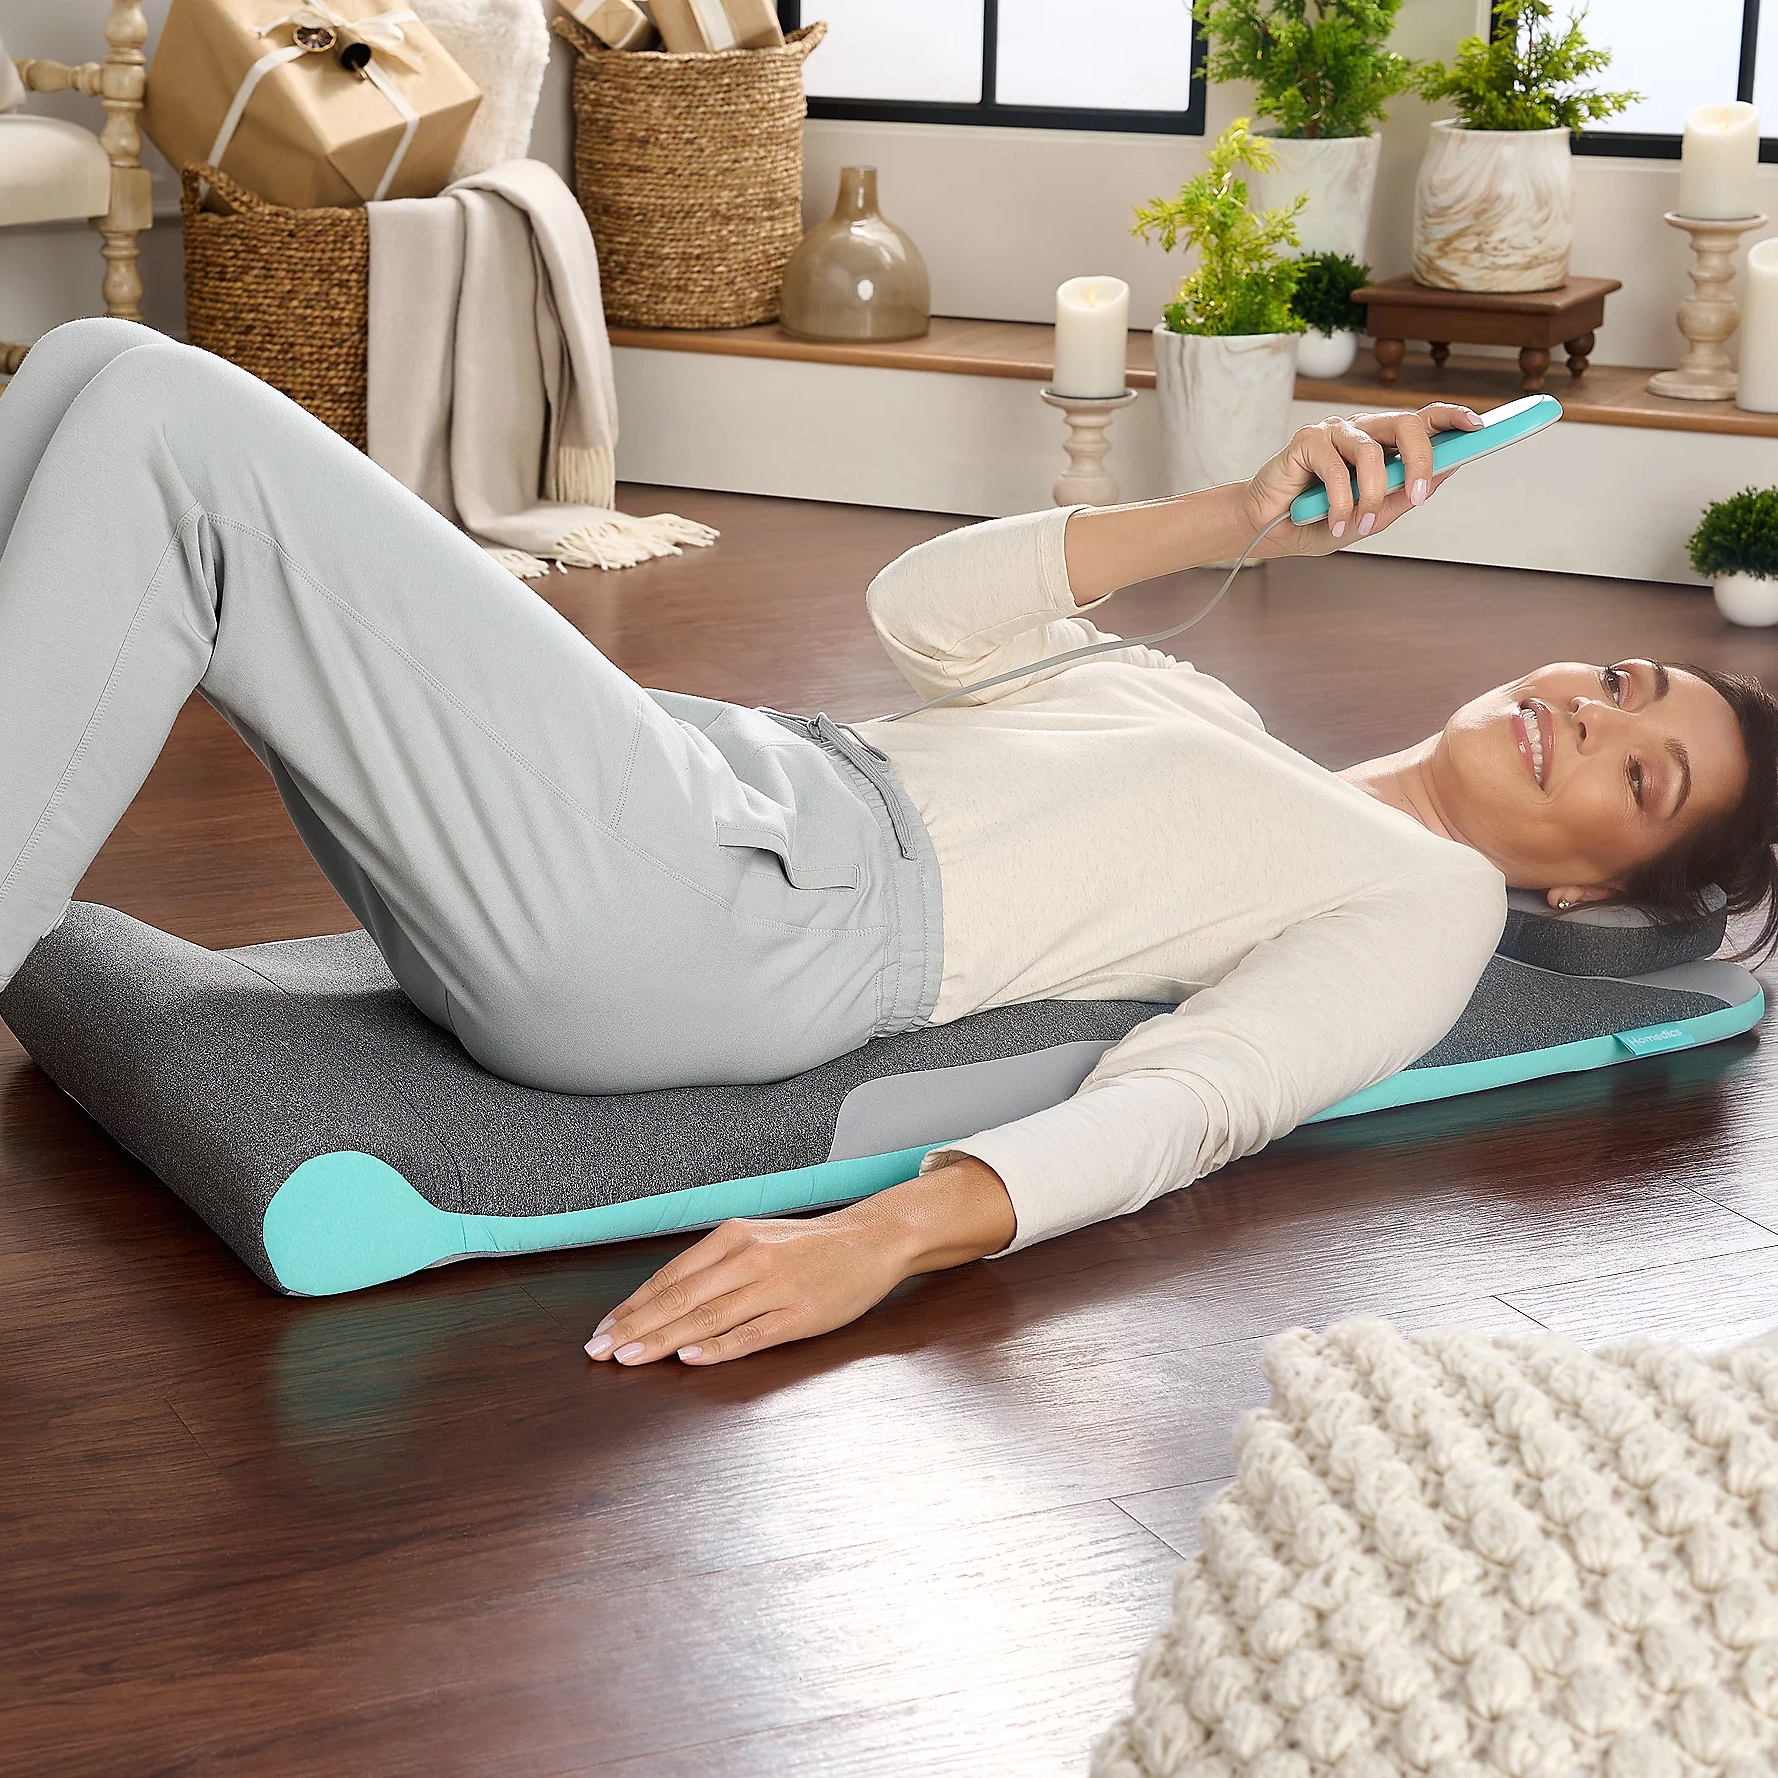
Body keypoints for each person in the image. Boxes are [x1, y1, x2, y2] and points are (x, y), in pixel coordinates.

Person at [4, 320, 1775, 1369]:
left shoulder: (1426, 897)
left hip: (735, 912)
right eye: (1620, 684)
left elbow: (1206, 1096)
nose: (1595, 716)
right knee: (91, 362)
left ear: (1584, 889)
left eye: (1638, 778)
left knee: (164, 412)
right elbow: (921, 609)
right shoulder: (1221, 734)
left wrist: (893, 1233)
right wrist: (1236, 518)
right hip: (723, 797)